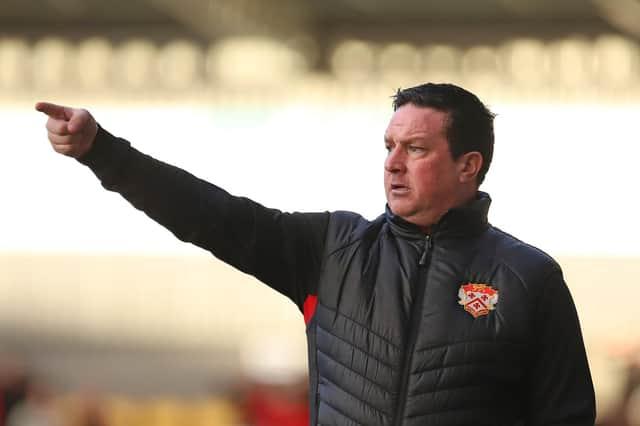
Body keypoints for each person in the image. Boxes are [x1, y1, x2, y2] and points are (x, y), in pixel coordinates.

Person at [36, 83, 596, 425]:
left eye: (416, 148)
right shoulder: (333, 249)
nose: (392, 163)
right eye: (389, 147)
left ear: (468, 166)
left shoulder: (529, 277)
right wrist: (102, 153)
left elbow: (566, 417)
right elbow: (211, 216)